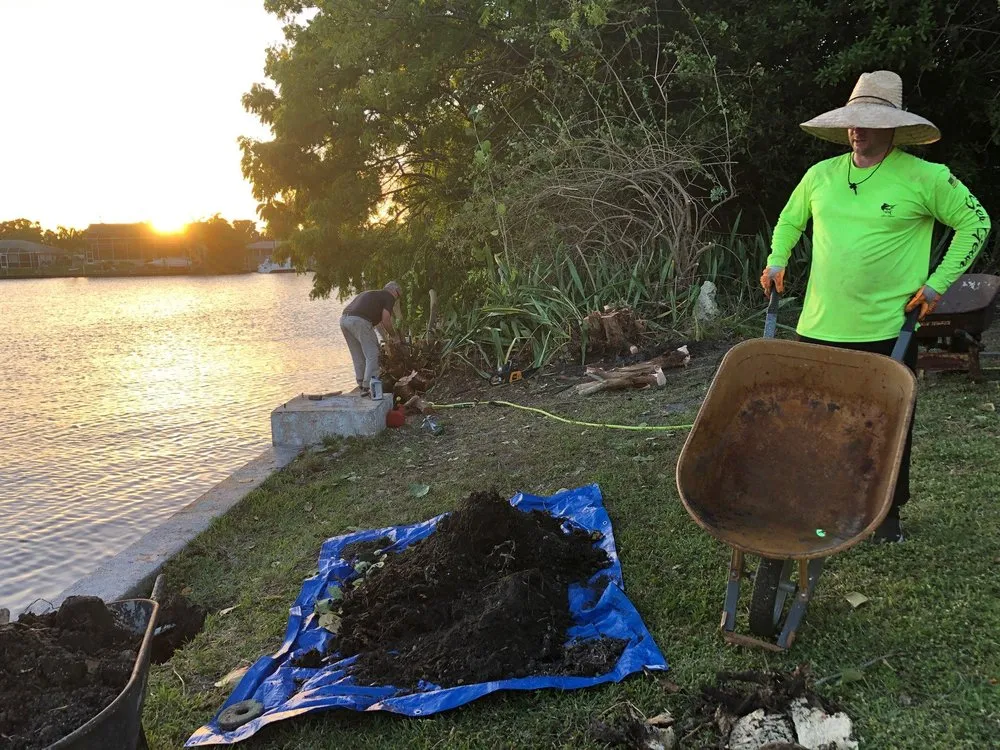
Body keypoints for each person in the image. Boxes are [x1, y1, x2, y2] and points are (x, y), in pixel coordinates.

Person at [761, 70, 990, 543]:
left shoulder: (925, 177)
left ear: (893, 126)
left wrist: (935, 287)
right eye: (852, 120)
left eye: (868, 121)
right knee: (816, 421)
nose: (857, 130)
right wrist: (776, 259)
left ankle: (886, 517)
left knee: (887, 427)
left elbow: (977, 222)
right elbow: (789, 219)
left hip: (889, 329)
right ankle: (823, 507)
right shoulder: (820, 175)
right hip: (819, 325)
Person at [340, 281, 402, 395]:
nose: (397, 299)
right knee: (373, 353)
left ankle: (360, 382)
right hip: (360, 320)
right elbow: (386, 320)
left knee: (357, 353)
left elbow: (377, 322)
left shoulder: (371, 294)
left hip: (344, 320)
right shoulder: (388, 296)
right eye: (398, 295)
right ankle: (369, 385)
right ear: (394, 291)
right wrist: (394, 336)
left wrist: (386, 336)